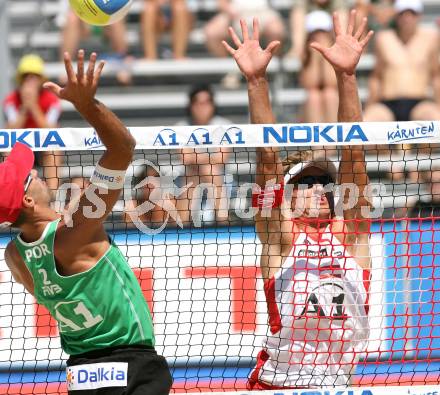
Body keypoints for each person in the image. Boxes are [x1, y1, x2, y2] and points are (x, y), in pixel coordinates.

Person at [2, 50, 172, 395]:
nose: (34, 171)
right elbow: (123, 146)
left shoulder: (15, 256)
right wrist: (85, 104)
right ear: (27, 201)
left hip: (81, 373)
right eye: (26, 176)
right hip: (130, 367)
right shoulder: (76, 232)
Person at [223, 11, 373, 388]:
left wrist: (347, 77)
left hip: (339, 385)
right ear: (287, 196)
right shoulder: (281, 235)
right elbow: (268, 160)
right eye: (306, 183)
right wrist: (256, 81)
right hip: (280, 384)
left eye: (324, 181)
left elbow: (353, 153)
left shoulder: (351, 236)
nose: (319, 188)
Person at [364, 0, 440, 122]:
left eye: (412, 13)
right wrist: (369, 106)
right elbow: (376, 77)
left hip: (419, 103)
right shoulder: (384, 39)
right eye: (403, 14)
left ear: (419, 16)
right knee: (369, 122)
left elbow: (436, 76)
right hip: (388, 103)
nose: (407, 18)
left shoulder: (430, 38)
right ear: (396, 16)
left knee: (435, 120)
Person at [3, 54, 62, 191]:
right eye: (26, 76)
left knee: (54, 149)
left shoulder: (52, 101)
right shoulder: (10, 100)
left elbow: (50, 129)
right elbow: (11, 128)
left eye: (34, 76)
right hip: (21, 147)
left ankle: (53, 196)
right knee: (7, 150)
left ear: (41, 79)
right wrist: (25, 107)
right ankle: (12, 191)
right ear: (21, 80)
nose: (30, 80)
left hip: (43, 148)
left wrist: (33, 106)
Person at [178, 85, 232, 224]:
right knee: (196, 171)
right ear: (191, 105)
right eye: (198, 102)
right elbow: (185, 159)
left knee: (210, 170)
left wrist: (196, 157)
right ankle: (181, 228)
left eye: (207, 102)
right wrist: (208, 159)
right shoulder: (181, 127)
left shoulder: (224, 126)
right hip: (191, 177)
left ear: (213, 105)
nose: (202, 107)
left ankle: (223, 223)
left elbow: (221, 159)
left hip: (220, 178)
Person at [205, 0, 284, 88]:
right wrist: (229, 10)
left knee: (276, 31)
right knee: (212, 32)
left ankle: (268, 71)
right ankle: (230, 72)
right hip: (236, 12)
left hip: (263, 11)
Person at [56, 0, 132, 85]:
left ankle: (121, 62)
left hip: (104, 21)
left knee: (115, 19)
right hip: (82, 19)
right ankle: (66, 66)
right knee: (72, 18)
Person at [299, 10, 338, 123]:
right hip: (313, 99)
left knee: (330, 94)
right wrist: (316, 57)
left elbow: (331, 82)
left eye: (322, 32)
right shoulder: (306, 52)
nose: (319, 36)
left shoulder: (337, 49)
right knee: (313, 97)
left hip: (334, 96)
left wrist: (325, 54)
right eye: (315, 33)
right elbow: (310, 84)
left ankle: (335, 138)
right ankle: (316, 138)